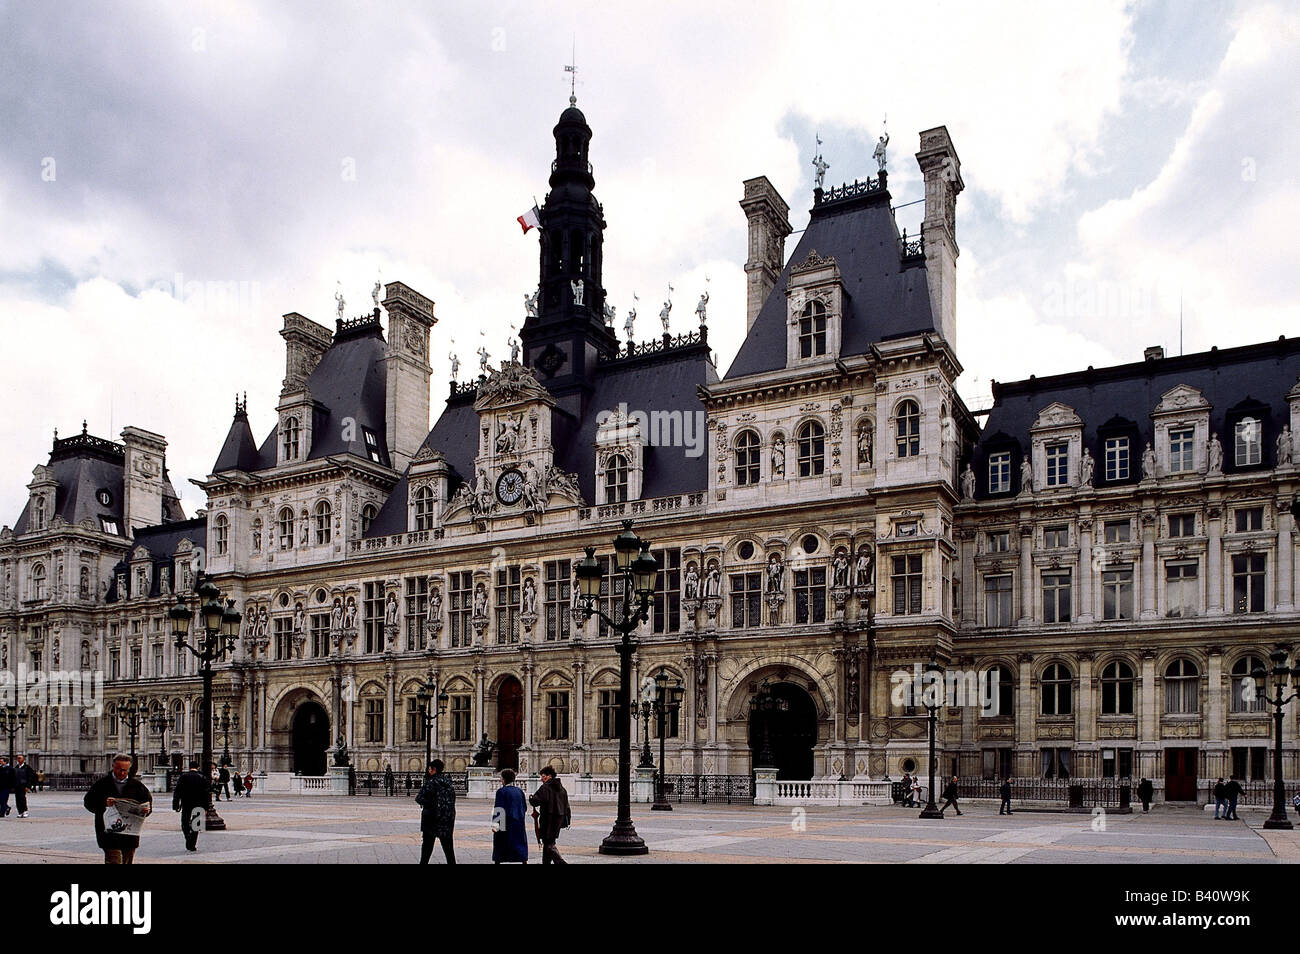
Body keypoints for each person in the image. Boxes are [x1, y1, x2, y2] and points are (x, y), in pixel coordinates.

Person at [84, 754, 153, 864]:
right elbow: (88, 803)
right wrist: (103, 804)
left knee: (127, 861)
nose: (121, 773)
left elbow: (147, 804)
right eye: (118, 769)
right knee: (114, 860)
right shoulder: (101, 784)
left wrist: (146, 810)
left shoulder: (137, 786)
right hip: (109, 833)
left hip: (129, 833)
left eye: (125, 770)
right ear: (113, 766)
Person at [415, 759, 456, 864]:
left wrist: (429, 802)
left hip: (431, 819)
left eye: (430, 769)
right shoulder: (448, 783)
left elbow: (419, 798)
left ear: (434, 770)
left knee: (427, 847)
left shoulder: (431, 782)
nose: (429, 771)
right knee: (448, 848)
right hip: (447, 819)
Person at [529, 765, 571, 865]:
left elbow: (536, 801)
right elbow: (567, 806)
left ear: (549, 776)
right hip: (558, 819)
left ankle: (561, 862)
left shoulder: (546, 787)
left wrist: (531, 798)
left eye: (543, 776)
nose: (541, 779)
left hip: (548, 819)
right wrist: (567, 819)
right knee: (549, 841)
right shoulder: (562, 789)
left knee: (548, 843)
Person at [492, 769, 529, 864]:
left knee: (501, 844)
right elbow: (524, 807)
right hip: (518, 823)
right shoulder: (519, 791)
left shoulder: (501, 791)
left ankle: (498, 861)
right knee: (519, 843)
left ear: (504, 779)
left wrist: (496, 825)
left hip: (505, 823)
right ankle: (523, 860)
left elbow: (499, 809)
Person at [172, 760, 209, 852]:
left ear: (189, 767)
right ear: (198, 767)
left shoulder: (183, 777)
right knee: (196, 824)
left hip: (186, 803)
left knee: (184, 822)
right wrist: (206, 807)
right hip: (199, 804)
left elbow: (177, 792)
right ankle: (192, 844)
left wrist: (175, 804)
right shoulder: (202, 777)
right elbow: (206, 794)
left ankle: (188, 837)